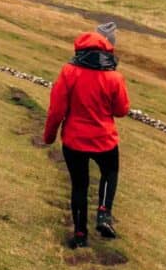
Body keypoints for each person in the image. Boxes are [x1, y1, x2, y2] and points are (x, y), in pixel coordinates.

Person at [39, 27, 130, 247]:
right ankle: (104, 212)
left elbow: (56, 110)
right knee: (110, 172)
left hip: (74, 140)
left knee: (79, 185)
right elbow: (122, 110)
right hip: (104, 139)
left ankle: (80, 234)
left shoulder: (69, 72)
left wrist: (49, 136)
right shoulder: (114, 77)